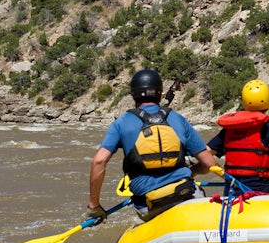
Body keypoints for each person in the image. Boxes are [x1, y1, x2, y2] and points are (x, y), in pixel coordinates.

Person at [88, 68, 217, 221]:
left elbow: (99, 161)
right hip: (186, 193)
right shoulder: (178, 119)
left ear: (134, 93)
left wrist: (94, 206)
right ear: (159, 92)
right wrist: (193, 171)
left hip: (148, 204)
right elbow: (209, 164)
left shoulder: (121, 123)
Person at [207, 79, 269, 193]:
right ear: (267, 101)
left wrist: (222, 173)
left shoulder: (230, 128)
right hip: (261, 191)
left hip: (232, 191)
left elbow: (206, 153)